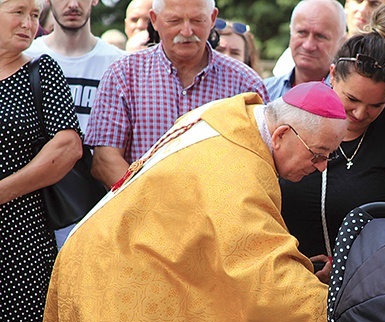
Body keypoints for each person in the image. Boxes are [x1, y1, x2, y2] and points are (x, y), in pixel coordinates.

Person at [29, 82, 348, 322]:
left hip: (131, 264)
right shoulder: (236, 168)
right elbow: (261, 269)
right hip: (128, 283)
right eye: (318, 154)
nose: (321, 167)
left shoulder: (230, 117)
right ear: (282, 134)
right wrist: (340, 310)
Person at [280, 4, 385, 273]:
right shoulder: (295, 117)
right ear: (331, 76)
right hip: (288, 282)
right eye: (351, 99)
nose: (361, 113)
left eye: (377, 105)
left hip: (373, 287)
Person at [0, 0, 83, 322]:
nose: (30, 23)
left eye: (35, 15)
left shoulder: (42, 70)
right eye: (19, 11)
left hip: (20, 249)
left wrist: (3, 191)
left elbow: (67, 147)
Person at [86, 0, 269, 188]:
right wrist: (151, 206)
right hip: (142, 210)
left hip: (218, 212)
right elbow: (105, 160)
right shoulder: (124, 74)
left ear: (213, 18)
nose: (187, 31)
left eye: (197, 20)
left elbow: (259, 164)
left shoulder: (245, 84)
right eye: (174, 21)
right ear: (154, 20)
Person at [25, 0, 124, 248]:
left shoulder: (119, 63)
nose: (72, 4)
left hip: (100, 200)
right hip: (38, 201)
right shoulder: (28, 58)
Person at [271, 0, 385, 77]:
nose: (363, 9)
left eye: (374, 4)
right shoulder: (292, 57)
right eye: (358, 1)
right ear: (347, 4)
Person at [264, 0, 346, 100]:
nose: (308, 45)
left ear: (341, 42)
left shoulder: (348, 102)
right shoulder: (263, 94)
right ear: (291, 32)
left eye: (320, 36)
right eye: (302, 33)